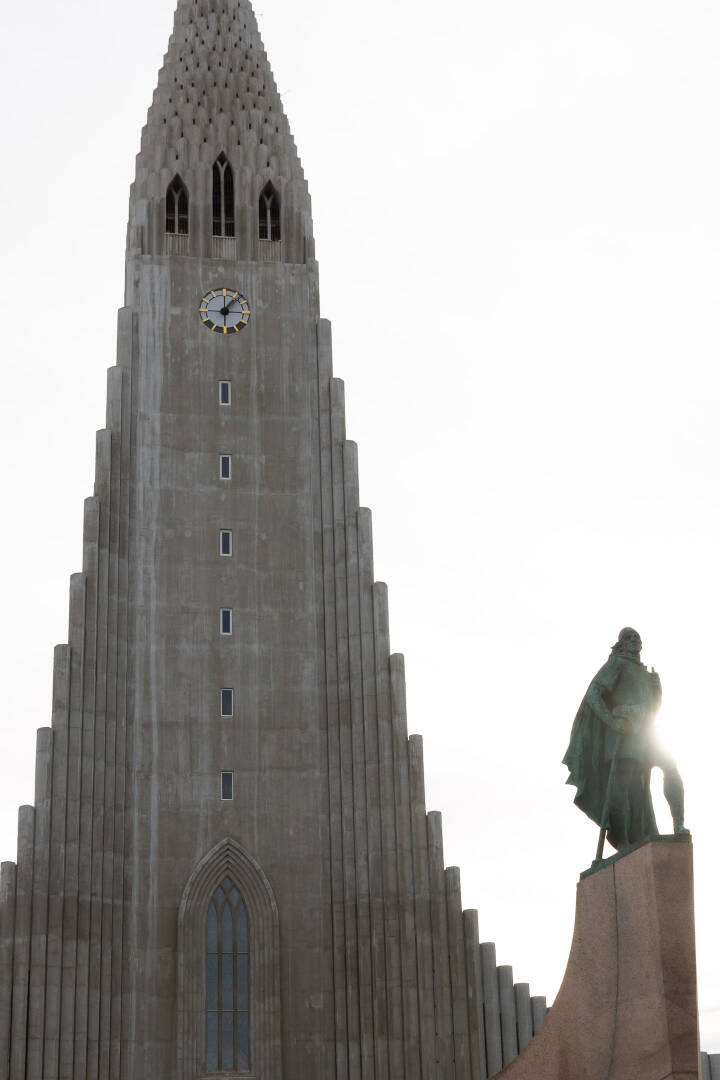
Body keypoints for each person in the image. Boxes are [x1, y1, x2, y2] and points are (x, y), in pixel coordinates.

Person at [563, 627, 687, 852]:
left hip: (649, 733)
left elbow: (653, 708)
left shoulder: (645, 672)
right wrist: (611, 720)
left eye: (637, 636)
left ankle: (679, 825)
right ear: (620, 645)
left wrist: (656, 691)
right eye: (628, 637)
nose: (634, 640)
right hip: (625, 734)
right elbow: (594, 694)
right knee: (622, 783)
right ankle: (624, 842)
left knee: (670, 767)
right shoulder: (617, 664)